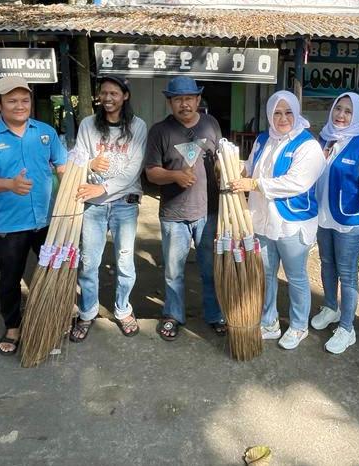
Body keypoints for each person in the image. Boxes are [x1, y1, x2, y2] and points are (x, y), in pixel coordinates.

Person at [0, 76, 67, 355]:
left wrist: (74, 185)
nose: (20, 106)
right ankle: (13, 326)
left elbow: (62, 166)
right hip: (11, 224)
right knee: (10, 277)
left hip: (48, 221)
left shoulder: (45, 132)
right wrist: (9, 185)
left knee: (53, 273)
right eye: (12, 100)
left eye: (24, 100)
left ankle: (51, 322)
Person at [231, 91, 324, 350]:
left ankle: (298, 326)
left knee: (296, 277)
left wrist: (255, 184)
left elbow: (297, 181)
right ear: (270, 115)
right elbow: (250, 167)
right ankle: (269, 321)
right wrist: (233, 169)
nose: (282, 118)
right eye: (277, 113)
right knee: (267, 274)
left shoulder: (308, 145)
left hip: (292, 222)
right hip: (263, 220)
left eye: (288, 112)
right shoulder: (264, 139)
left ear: (297, 113)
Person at [144, 76, 225, 341]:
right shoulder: (159, 131)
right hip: (174, 215)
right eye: (178, 99)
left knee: (210, 269)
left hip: (208, 211)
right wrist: (176, 176)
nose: (184, 104)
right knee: (173, 271)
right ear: (170, 102)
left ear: (198, 100)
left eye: (189, 98)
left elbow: (220, 160)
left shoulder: (211, 124)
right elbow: (152, 173)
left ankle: (214, 315)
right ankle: (173, 315)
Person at [69, 77, 147, 342]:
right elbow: (77, 159)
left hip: (125, 205)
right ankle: (88, 312)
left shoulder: (138, 127)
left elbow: (133, 170)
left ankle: (123, 309)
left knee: (125, 261)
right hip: (93, 207)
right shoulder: (88, 125)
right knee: (89, 262)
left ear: (125, 95)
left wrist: (102, 189)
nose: (108, 97)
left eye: (114, 92)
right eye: (104, 93)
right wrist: (89, 165)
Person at [308, 92, 359, 354]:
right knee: (326, 264)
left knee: (347, 274)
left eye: (348, 111)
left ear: (357, 116)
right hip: (323, 216)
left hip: (349, 218)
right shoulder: (324, 137)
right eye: (338, 108)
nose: (341, 115)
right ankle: (330, 307)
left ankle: (346, 328)